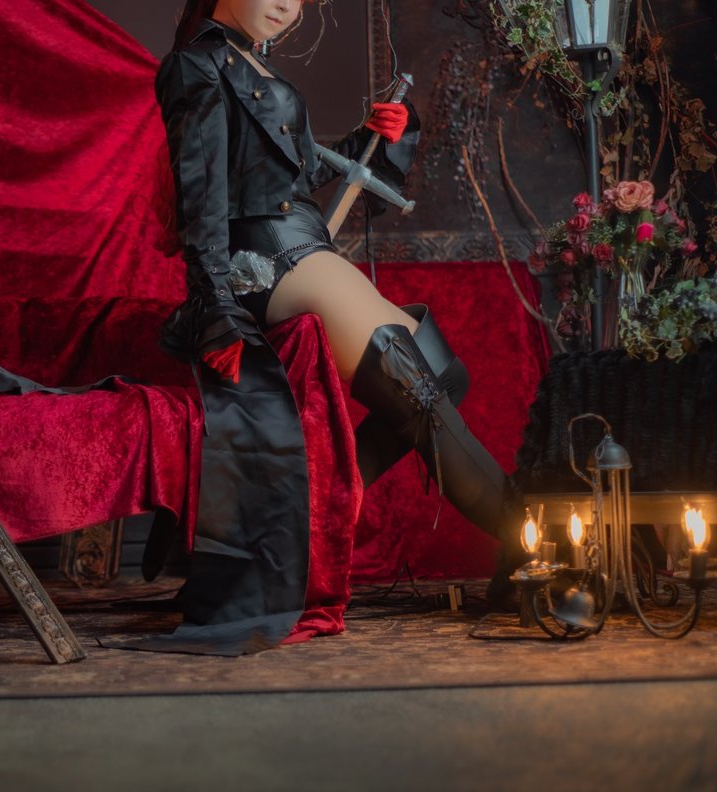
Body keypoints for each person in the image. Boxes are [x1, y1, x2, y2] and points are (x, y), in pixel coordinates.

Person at [140, 0, 519, 655]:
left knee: (442, 372)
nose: (285, 4)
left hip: (301, 247)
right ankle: (534, 547)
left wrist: (373, 139)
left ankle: (314, 514)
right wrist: (216, 309)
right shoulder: (196, 66)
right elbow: (201, 199)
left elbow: (295, 174)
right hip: (266, 262)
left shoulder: (250, 63)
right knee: (416, 388)